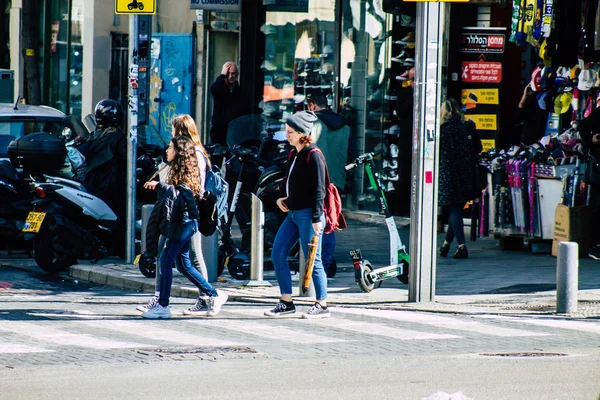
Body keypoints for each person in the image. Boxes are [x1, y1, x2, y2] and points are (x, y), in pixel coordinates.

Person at [141, 136, 228, 319]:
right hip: (182, 221)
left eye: (170, 148)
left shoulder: (187, 170)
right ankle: (213, 294)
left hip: (185, 222)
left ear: (179, 151)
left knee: (166, 260)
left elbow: (183, 194)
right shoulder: (176, 169)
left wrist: (160, 185)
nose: (167, 150)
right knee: (183, 264)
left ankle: (163, 306)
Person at [136, 114, 213, 314]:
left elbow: (187, 187)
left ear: (180, 131)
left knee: (182, 257)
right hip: (180, 212)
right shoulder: (185, 152)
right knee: (182, 260)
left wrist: (162, 185)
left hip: (186, 214)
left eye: (173, 130)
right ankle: (205, 295)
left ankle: (202, 297)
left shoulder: (192, 153)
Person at [264, 111, 330, 319]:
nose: (287, 135)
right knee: (277, 253)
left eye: (290, 131)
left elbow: (320, 189)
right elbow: (290, 182)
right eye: (286, 130)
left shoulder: (314, 155)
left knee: (313, 260)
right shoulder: (294, 154)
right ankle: (286, 302)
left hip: (309, 215)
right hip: (293, 213)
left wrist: (317, 218)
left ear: (303, 133)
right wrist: (281, 199)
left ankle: (322, 304)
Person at [307, 91, 350, 277]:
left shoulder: (315, 122)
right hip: (337, 178)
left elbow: (308, 148)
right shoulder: (344, 124)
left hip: (317, 178)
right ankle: (326, 260)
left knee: (317, 220)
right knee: (330, 220)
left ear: (312, 106)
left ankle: (320, 263)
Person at [438, 98, 482, 259]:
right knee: (455, 208)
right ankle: (446, 245)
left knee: (454, 208)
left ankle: (462, 246)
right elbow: (478, 148)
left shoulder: (442, 130)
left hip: (448, 173)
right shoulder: (468, 127)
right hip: (466, 172)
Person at [78, 99, 127, 221]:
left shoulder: (94, 136)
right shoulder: (117, 137)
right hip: (113, 183)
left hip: (94, 182)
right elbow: (126, 158)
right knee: (119, 214)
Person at [575, 107, 600, 260]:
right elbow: (582, 127)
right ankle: (595, 244)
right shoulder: (598, 113)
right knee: (597, 205)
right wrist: (591, 141)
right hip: (599, 165)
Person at [209, 62, 248, 146]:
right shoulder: (220, 88)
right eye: (228, 74)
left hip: (234, 131)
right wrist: (222, 75)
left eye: (233, 74)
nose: (230, 76)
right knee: (216, 156)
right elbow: (214, 89)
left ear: (237, 74)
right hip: (219, 130)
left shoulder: (239, 91)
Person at [395, 67, 415, 216]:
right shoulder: (405, 94)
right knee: (405, 172)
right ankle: (403, 208)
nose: (413, 83)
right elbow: (401, 112)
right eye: (411, 79)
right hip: (407, 138)